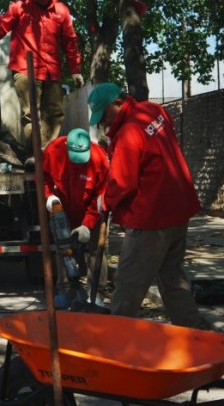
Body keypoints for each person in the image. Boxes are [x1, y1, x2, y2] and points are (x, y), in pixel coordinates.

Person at [87, 82, 208, 329]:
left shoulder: (127, 134)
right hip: (178, 208)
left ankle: (116, 338)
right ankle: (196, 334)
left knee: (129, 283)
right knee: (172, 277)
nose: (103, 123)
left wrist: (105, 201)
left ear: (118, 102)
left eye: (105, 115)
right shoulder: (155, 111)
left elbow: (123, 182)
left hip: (151, 217)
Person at [0, 0, 84, 153]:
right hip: (25, 69)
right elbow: (1, 25)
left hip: (52, 70)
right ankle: (35, 154)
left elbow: (70, 42)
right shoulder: (21, 6)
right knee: (31, 114)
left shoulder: (61, 11)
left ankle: (46, 152)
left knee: (55, 113)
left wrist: (75, 70)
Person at [42, 128, 109, 308]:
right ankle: (65, 291)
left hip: (90, 212)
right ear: (67, 146)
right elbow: (43, 177)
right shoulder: (53, 151)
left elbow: (101, 197)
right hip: (61, 210)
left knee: (95, 251)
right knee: (64, 249)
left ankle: (97, 294)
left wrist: (87, 225)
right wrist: (49, 196)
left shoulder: (99, 160)